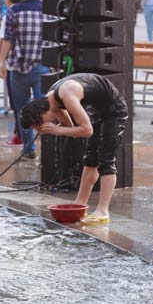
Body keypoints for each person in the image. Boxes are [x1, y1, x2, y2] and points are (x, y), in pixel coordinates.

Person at [20, 73, 128, 225]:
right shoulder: (52, 101)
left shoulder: (66, 95)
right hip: (97, 111)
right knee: (91, 159)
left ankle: (103, 211)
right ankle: (80, 204)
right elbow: (73, 131)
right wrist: (58, 129)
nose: (41, 128)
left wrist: (56, 130)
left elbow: (86, 130)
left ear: (41, 113)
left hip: (114, 110)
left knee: (106, 160)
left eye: (39, 124)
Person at [0, 0, 49, 160]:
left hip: (19, 69)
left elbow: (8, 39)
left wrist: (1, 63)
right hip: (43, 68)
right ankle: (50, 150)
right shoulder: (48, 9)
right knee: (47, 110)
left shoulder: (14, 10)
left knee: (22, 110)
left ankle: (29, 148)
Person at [0, 0, 23, 145]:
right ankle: (31, 135)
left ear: (8, 0)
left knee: (16, 102)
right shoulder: (30, 12)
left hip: (13, 65)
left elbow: (3, 42)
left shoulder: (9, 14)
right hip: (33, 64)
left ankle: (20, 134)